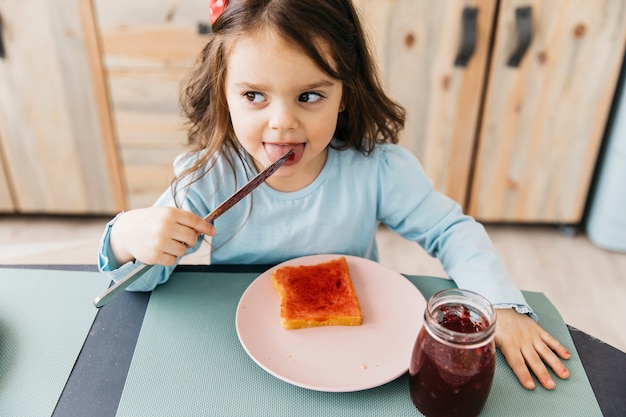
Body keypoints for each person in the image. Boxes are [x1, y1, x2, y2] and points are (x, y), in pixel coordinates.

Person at [98, 0, 570, 391]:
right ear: (224, 93)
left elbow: (450, 230)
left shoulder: (376, 170)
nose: (282, 122)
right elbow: (139, 282)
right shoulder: (208, 179)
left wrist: (501, 305)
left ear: (345, 93)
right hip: (240, 358)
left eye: (309, 96)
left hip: (362, 356)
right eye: (254, 96)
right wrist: (128, 236)